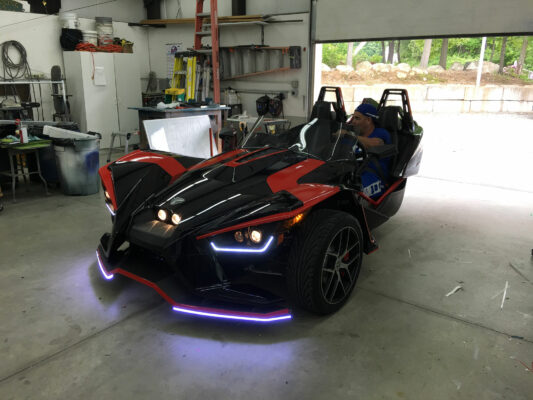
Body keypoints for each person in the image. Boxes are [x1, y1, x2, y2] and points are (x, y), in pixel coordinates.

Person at [348, 103, 391, 199]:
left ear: (368, 120)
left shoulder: (381, 133)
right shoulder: (353, 134)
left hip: (374, 176)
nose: (353, 121)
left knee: (349, 194)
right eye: (353, 117)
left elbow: (375, 143)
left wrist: (350, 135)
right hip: (350, 172)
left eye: (357, 118)